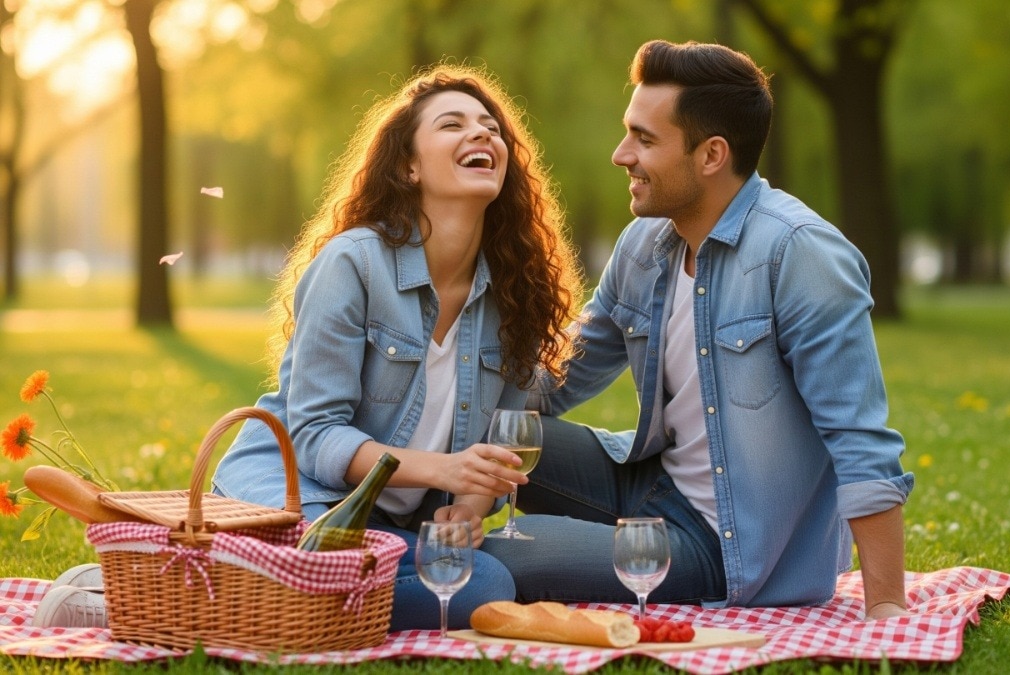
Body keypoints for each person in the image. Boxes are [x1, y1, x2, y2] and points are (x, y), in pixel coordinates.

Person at [481, 40, 913, 620]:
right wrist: (449, 402)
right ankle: (356, 545)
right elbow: (559, 379)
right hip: (644, 482)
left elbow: (860, 440)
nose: (620, 154)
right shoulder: (644, 243)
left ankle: (394, 568)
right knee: (478, 432)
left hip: (723, 547)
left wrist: (885, 607)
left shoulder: (798, 254)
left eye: (644, 139)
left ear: (711, 155)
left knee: (496, 560)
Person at [211, 64, 583, 632]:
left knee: (484, 581)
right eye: (452, 125)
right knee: (472, 586)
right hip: (294, 495)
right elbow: (314, 436)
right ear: (409, 166)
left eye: (491, 127)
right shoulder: (353, 264)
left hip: (393, 527)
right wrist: (448, 470)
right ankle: (233, 581)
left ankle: (253, 593)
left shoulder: (517, 291)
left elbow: (501, 437)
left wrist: (472, 505)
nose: (482, 134)